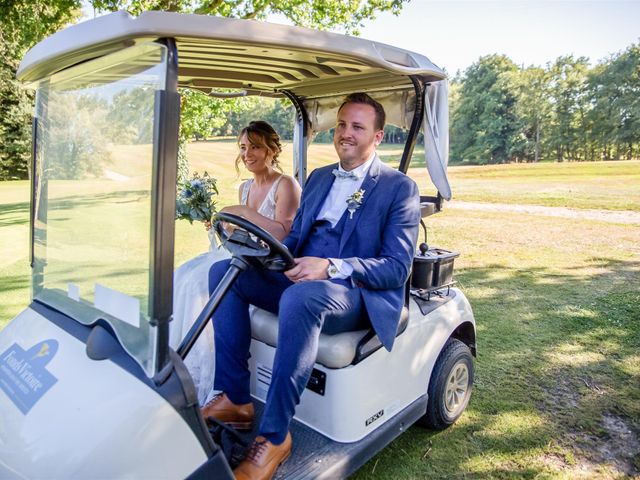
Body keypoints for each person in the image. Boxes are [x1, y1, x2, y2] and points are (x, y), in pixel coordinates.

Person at [204, 93, 420, 480]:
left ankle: (273, 437)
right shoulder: (320, 178)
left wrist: (331, 267)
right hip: (305, 278)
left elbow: (396, 268)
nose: (346, 133)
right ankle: (236, 399)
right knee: (224, 273)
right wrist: (272, 257)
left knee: (303, 297)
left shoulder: (398, 187)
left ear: (378, 136)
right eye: (341, 124)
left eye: (357, 126)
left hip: (356, 292)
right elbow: (297, 237)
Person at [171, 121, 300, 405]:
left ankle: (223, 387)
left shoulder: (285, 185)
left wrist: (243, 213)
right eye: (243, 147)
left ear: (272, 150)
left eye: (255, 146)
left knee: (207, 276)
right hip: (246, 259)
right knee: (184, 275)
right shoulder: (245, 187)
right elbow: (245, 233)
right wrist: (225, 226)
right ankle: (180, 365)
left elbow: (284, 233)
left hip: (273, 268)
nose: (247, 153)